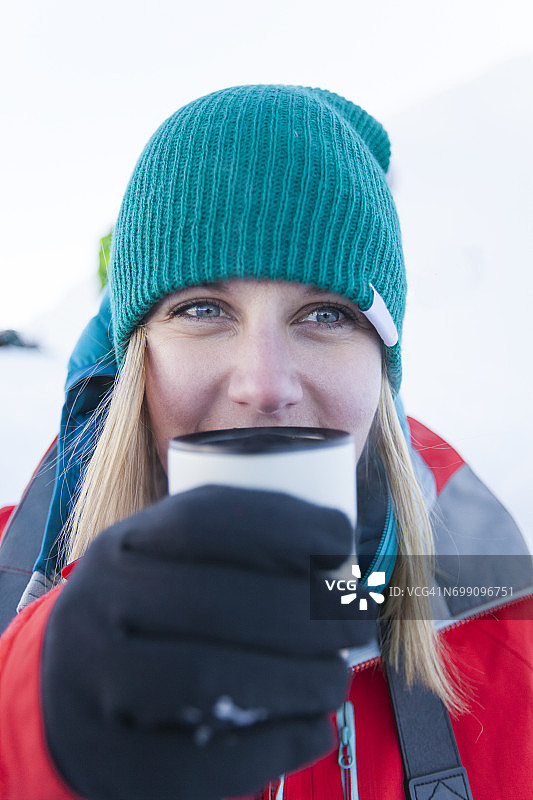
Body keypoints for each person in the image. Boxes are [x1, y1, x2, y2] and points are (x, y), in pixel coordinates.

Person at [0, 84, 531, 800]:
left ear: (381, 370)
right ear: (137, 360)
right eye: (200, 308)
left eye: (324, 314)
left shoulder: (506, 638)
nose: (264, 383)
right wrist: (38, 730)